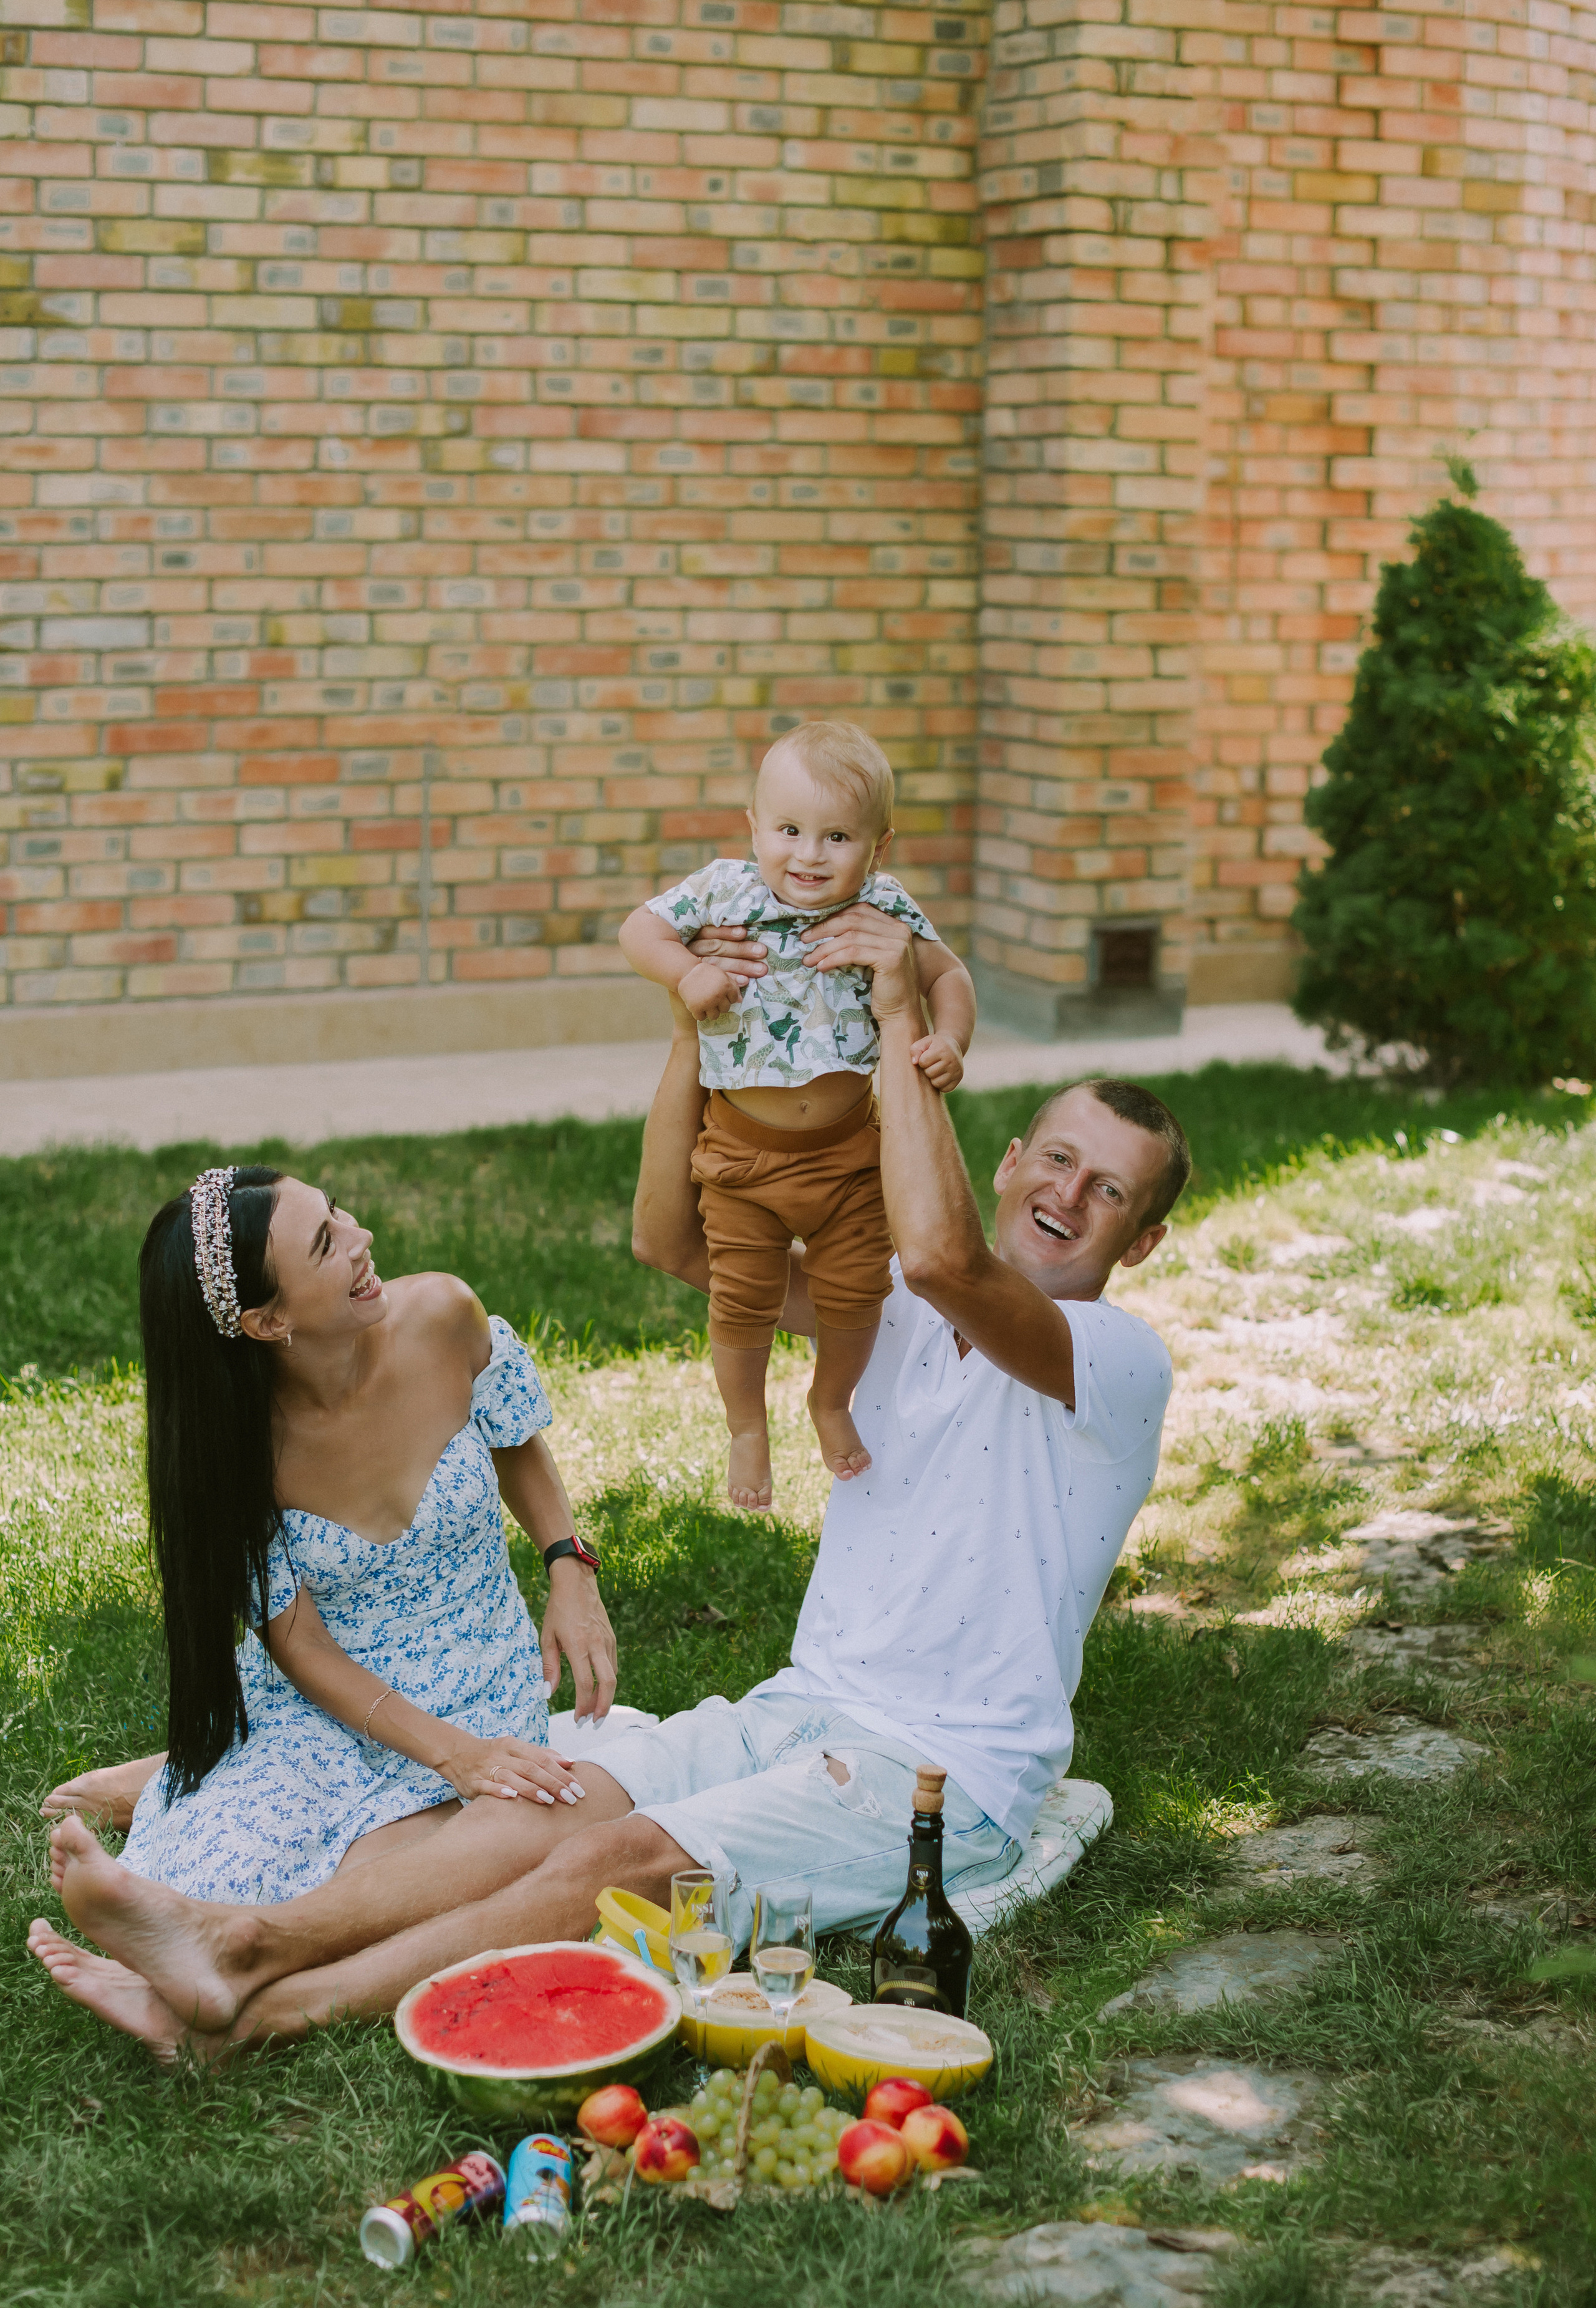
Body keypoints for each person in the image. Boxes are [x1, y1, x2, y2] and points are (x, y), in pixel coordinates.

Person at [28, 907, 1185, 2064]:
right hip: (799, 1709)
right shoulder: (883, 1311)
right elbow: (676, 1242)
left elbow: (949, 1258)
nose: (1071, 1198)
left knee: (615, 1863)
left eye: (1113, 1193)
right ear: (1009, 1162)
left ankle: (253, 2003)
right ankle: (242, 1940)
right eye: (1058, 1159)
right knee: (537, 1809)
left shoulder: (1115, 1361)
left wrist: (898, 1016)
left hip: (944, 1770)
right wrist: (692, 1034)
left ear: (1138, 1245)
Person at [39, 1164, 617, 1907]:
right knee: (234, 1887)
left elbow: (512, 1435)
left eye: (337, 1212)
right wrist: (457, 1759)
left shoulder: (444, 1313)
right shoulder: (236, 1450)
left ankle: (184, 1770)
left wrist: (570, 1566)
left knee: (388, 1883)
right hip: (327, 1694)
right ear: (268, 1321)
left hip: (477, 1674)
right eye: (324, 1242)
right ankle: (200, 1772)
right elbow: (301, 1644)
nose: (361, 1236)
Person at [617, 720, 976, 1509]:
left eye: (836, 836)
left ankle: (830, 1400)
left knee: (854, 1295)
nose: (808, 854)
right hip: (741, 1156)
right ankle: (746, 1426)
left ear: (878, 847)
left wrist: (949, 1037)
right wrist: (684, 974)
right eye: (788, 830)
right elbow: (637, 930)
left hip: (850, 1155)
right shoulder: (724, 890)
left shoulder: (884, 909)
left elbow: (948, 974)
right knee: (740, 1297)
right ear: (753, 828)